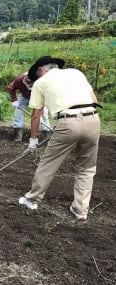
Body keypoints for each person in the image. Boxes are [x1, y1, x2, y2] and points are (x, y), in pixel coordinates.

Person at [18, 56, 101, 221]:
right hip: (93, 119)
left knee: (48, 164)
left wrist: (33, 141)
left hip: (68, 122)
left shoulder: (41, 83)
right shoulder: (76, 73)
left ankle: (32, 200)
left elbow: (36, 115)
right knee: (86, 168)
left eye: (37, 74)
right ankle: (80, 210)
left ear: (41, 70)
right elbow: (94, 100)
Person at [7, 72, 51, 142]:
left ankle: (45, 136)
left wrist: (40, 110)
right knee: (18, 114)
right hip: (24, 96)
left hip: (39, 97)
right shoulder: (19, 79)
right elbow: (10, 88)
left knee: (44, 115)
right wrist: (14, 100)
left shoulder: (43, 82)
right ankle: (18, 136)